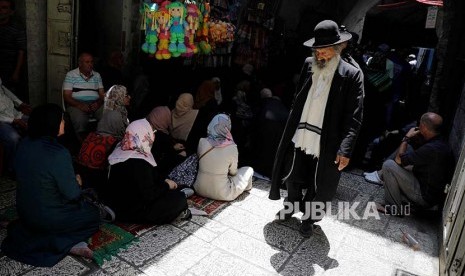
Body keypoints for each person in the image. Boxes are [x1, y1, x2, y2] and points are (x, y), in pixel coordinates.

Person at [269, 20, 364, 238]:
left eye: (324, 50)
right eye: (317, 49)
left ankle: (309, 219)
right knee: (292, 173)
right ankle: (290, 206)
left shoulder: (351, 74)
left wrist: (345, 149)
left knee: (318, 182)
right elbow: (298, 96)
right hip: (301, 133)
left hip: (327, 139)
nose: (319, 54)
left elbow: (354, 115)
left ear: (338, 48)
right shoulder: (308, 64)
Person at [1, 103, 100, 267]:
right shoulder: (58, 153)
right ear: (51, 124)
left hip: (25, 212)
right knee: (93, 216)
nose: (64, 123)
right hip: (48, 219)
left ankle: (26, 229)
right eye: (61, 120)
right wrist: (77, 182)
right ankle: (64, 244)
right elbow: (73, 195)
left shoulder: (23, 144)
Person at [102, 118, 190, 224]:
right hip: (132, 211)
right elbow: (149, 195)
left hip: (116, 204)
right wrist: (167, 186)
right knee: (179, 199)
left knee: (169, 189)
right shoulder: (139, 162)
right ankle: (179, 210)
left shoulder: (119, 149)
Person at [365, 113, 453, 213]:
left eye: (419, 124)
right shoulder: (440, 142)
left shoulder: (430, 149)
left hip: (425, 198)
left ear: (423, 126)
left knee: (389, 165)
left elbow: (399, 160)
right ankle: (380, 175)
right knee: (407, 154)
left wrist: (406, 138)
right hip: (432, 193)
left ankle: (393, 208)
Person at [76, 85, 131, 189]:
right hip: (95, 165)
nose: (129, 97)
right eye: (126, 95)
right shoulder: (115, 116)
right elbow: (123, 136)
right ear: (119, 97)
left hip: (89, 159)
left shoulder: (116, 111)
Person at [194, 113, 254, 201]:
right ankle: (246, 189)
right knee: (248, 170)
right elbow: (233, 172)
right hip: (222, 193)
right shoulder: (232, 147)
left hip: (199, 189)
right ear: (227, 127)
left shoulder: (202, 141)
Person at [63, 52, 105, 140]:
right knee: (79, 120)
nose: (90, 64)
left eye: (92, 62)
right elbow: (67, 96)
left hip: (95, 104)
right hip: (76, 104)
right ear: (80, 63)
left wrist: (98, 103)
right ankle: (81, 144)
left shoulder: (97, 75)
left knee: (106, 115)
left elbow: (102, 95)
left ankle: (101, 141)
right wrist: (80, 105)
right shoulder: (71, 75)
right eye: (87, 62)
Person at [0, 77, 31, 175]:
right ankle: (12, 168)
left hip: (13, 113)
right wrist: (13, 120)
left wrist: (20, 103)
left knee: (36, 123)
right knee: (13, 138)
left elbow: (4, 89)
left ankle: (32, 160)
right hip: (2, 120)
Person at [147, 106, 186, 179]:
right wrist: (179, 156)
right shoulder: (161, 137)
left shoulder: (142, 126)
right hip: (153, 174)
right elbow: (163, 161)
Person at [0, 0, 27, 99]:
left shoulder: (17, 27)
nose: (0, 10)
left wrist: (16, 72)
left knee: (10, 94)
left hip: (9, 66)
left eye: (4, 8)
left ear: (11, 12)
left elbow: (21, 51)